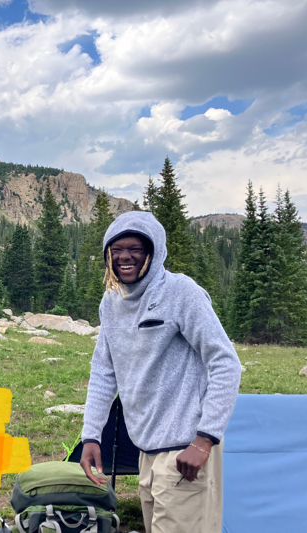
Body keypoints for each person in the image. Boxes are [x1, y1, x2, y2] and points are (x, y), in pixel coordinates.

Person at [79, 211, 241, 533]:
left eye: (135, 249)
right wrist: (91, 435)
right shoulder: (111, 301)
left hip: (186, 449)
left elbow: (226, 362)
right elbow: (103, 372)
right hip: (146, 450)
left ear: (154, 252)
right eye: (116, 249)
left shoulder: (181, 292)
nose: (125, 257)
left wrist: (204, 440)